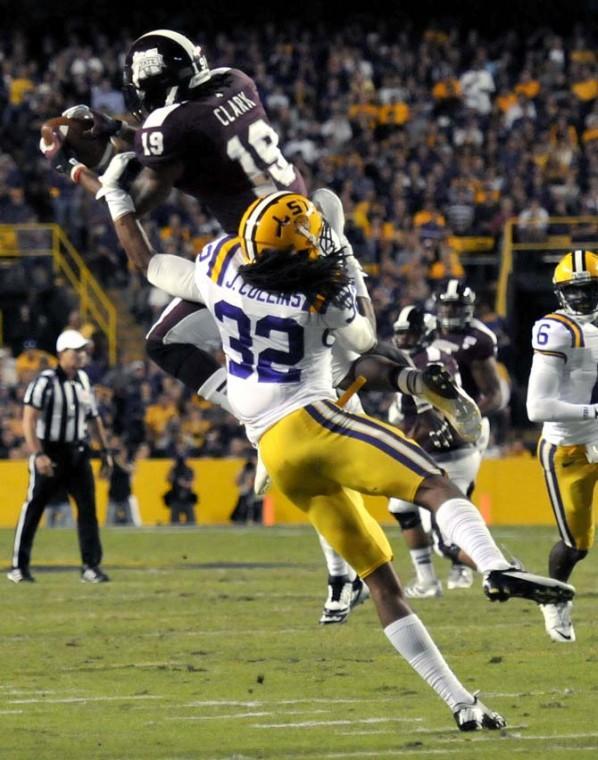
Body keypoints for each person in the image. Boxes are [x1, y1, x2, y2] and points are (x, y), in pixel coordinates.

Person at [97, 184, 576, 730]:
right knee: (434, 485)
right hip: (316, 421)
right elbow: (368, 339)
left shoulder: (220, 262)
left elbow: (150, 263)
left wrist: (116, 197)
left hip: (274, 449)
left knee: (381, 582)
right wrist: (344, 250)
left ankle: (462, 704)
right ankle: (494, 567)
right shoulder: (322, 294)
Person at [527, 249, 598, 643]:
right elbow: (537, 407)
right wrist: (594, 411)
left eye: (591, 291)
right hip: (567, 448)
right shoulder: (557, 330)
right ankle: (553, 598)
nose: (584, 300)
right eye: (576, 292)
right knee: (576, 545)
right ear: (561, 295)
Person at [387, 305, 482, 598]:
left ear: (425, 334)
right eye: (401, 335)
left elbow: (426, 421)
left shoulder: (423, 364)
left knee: (447, 542)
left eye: (411, 334)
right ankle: (427, 581)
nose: (404, 341)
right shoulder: (435, 357)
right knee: (401, 508)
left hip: (441, 456)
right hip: (447, 453)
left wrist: (396, 442)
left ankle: (504, 569)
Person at [7, 329, 113, 584]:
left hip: (77, 452)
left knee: (88, 510)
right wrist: (39, 454)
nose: (80, 355)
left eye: (82, 350)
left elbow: (93, 418)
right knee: (34, 508)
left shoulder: (84, 381)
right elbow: (29, 420)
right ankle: (19, 567)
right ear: (61, 353)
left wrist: (105, 451)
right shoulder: (45, 381)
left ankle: (90, 566)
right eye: (75, 351)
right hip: (50, 452)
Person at [163, 454, 198, 525]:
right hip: (176, 497)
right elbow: (168, 479)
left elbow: (191, 483)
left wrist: (182, 483)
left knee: (191, 522)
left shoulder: (189, 470)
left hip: (187, 498)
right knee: (174, 522)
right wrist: (171, 469)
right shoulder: (174, 470)